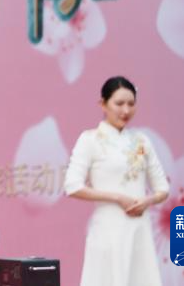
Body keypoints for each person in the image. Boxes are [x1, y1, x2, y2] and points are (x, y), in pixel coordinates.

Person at [64, 75, 170, 286]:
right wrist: (117, 198)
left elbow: (163, 188)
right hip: (107, 229)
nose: (126, 110)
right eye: (119, 103)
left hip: (139, 229)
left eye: (131, 104)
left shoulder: (142, 141)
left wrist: (147, 201)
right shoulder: (90, 139)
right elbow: (72, 186)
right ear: (103, 104)